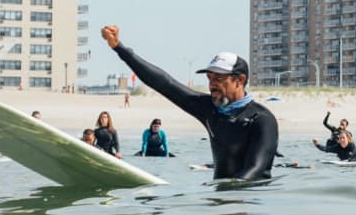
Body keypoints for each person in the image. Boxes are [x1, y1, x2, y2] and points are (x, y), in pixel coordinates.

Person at [101, 26, 278, 180]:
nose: (212, 84)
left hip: (252, 201)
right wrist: (119, 48)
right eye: (209, 78)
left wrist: (230, 194)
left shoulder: (261, 119)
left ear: (239, 80)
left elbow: (257, 168)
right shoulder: (209, 109)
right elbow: (164, 84)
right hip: (221, 199)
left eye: (218, 78)